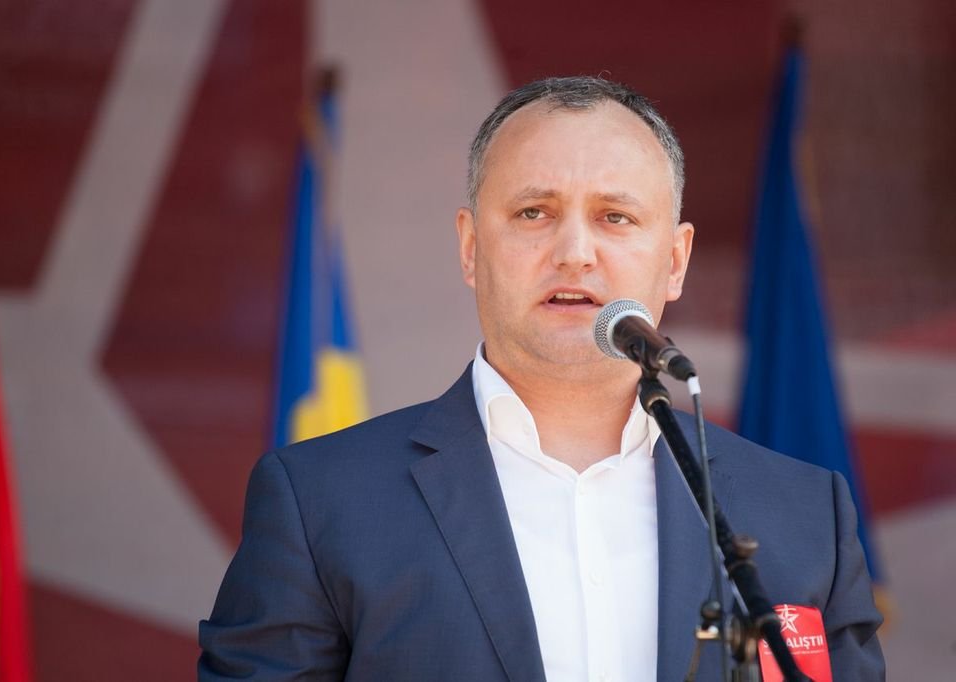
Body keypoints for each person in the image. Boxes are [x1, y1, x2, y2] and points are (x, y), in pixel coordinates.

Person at [198, 77, 884, 681]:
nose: (575, 253)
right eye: (535, 213)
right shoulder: (321, 503)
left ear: (675, 261)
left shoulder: (806, 517)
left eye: (615, 217)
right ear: (471, 248)